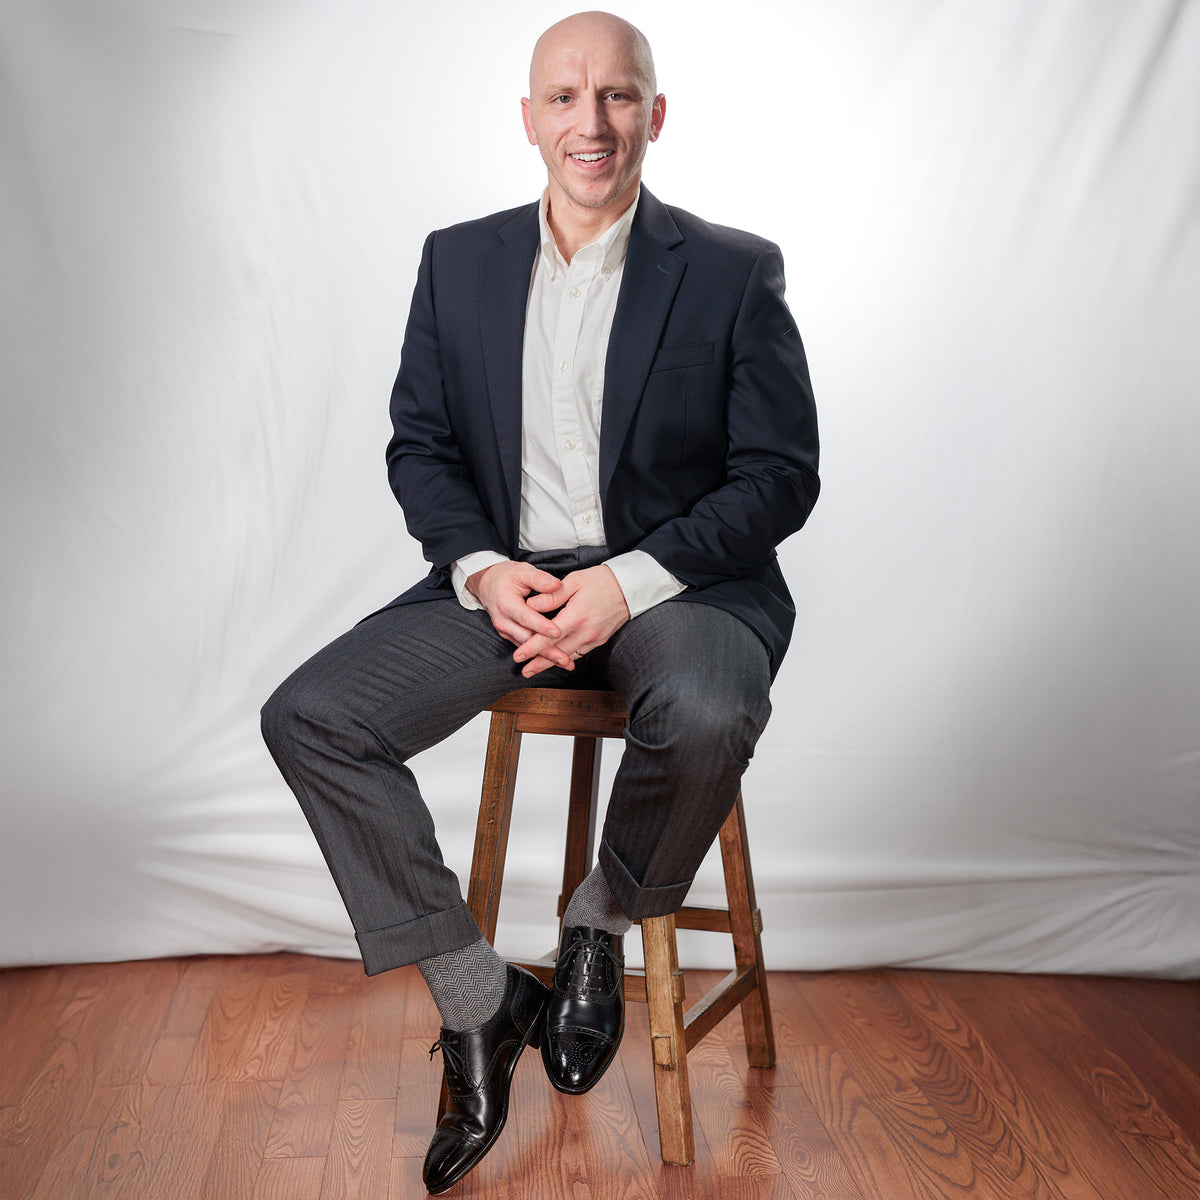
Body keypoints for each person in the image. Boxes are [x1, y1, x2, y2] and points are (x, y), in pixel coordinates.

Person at [261, 10, 819, 1193]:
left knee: (712, 711)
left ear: (655, 116)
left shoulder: (732, 270)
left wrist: (625, 583)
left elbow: (779, 475)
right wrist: (480, 567)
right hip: (506, 587)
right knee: (311, 715)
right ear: (529, 121)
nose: (592, 121)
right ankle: (481, 1000)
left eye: (618, 96)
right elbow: (420, 447)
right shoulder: (456, 260)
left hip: (678, 582)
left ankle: (597, 926)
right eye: (565, 98)